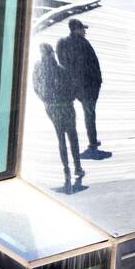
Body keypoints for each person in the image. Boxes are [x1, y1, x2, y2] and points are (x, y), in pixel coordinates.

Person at [33, 43, 84, 189]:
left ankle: (66, 169)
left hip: (51, 108)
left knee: (60, 137)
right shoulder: (60, 69)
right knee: (72, 135)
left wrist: (46, 101)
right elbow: (73, 87)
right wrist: (70, 98)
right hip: (66, 106)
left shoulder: (38, 68)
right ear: (51, 54)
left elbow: (36, 87)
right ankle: (77, 167)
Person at [57, 18, 103, 157]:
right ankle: (92, 141)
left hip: (71, 87)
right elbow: (92, 65)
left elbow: (62, 63)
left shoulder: (62, 43)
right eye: (83, 29)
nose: (85, 31)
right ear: (76, 29)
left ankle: (71, 143)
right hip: (87, 87)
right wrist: (97, 82)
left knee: (71, 116)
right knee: (89, 114)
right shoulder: (83, 43)